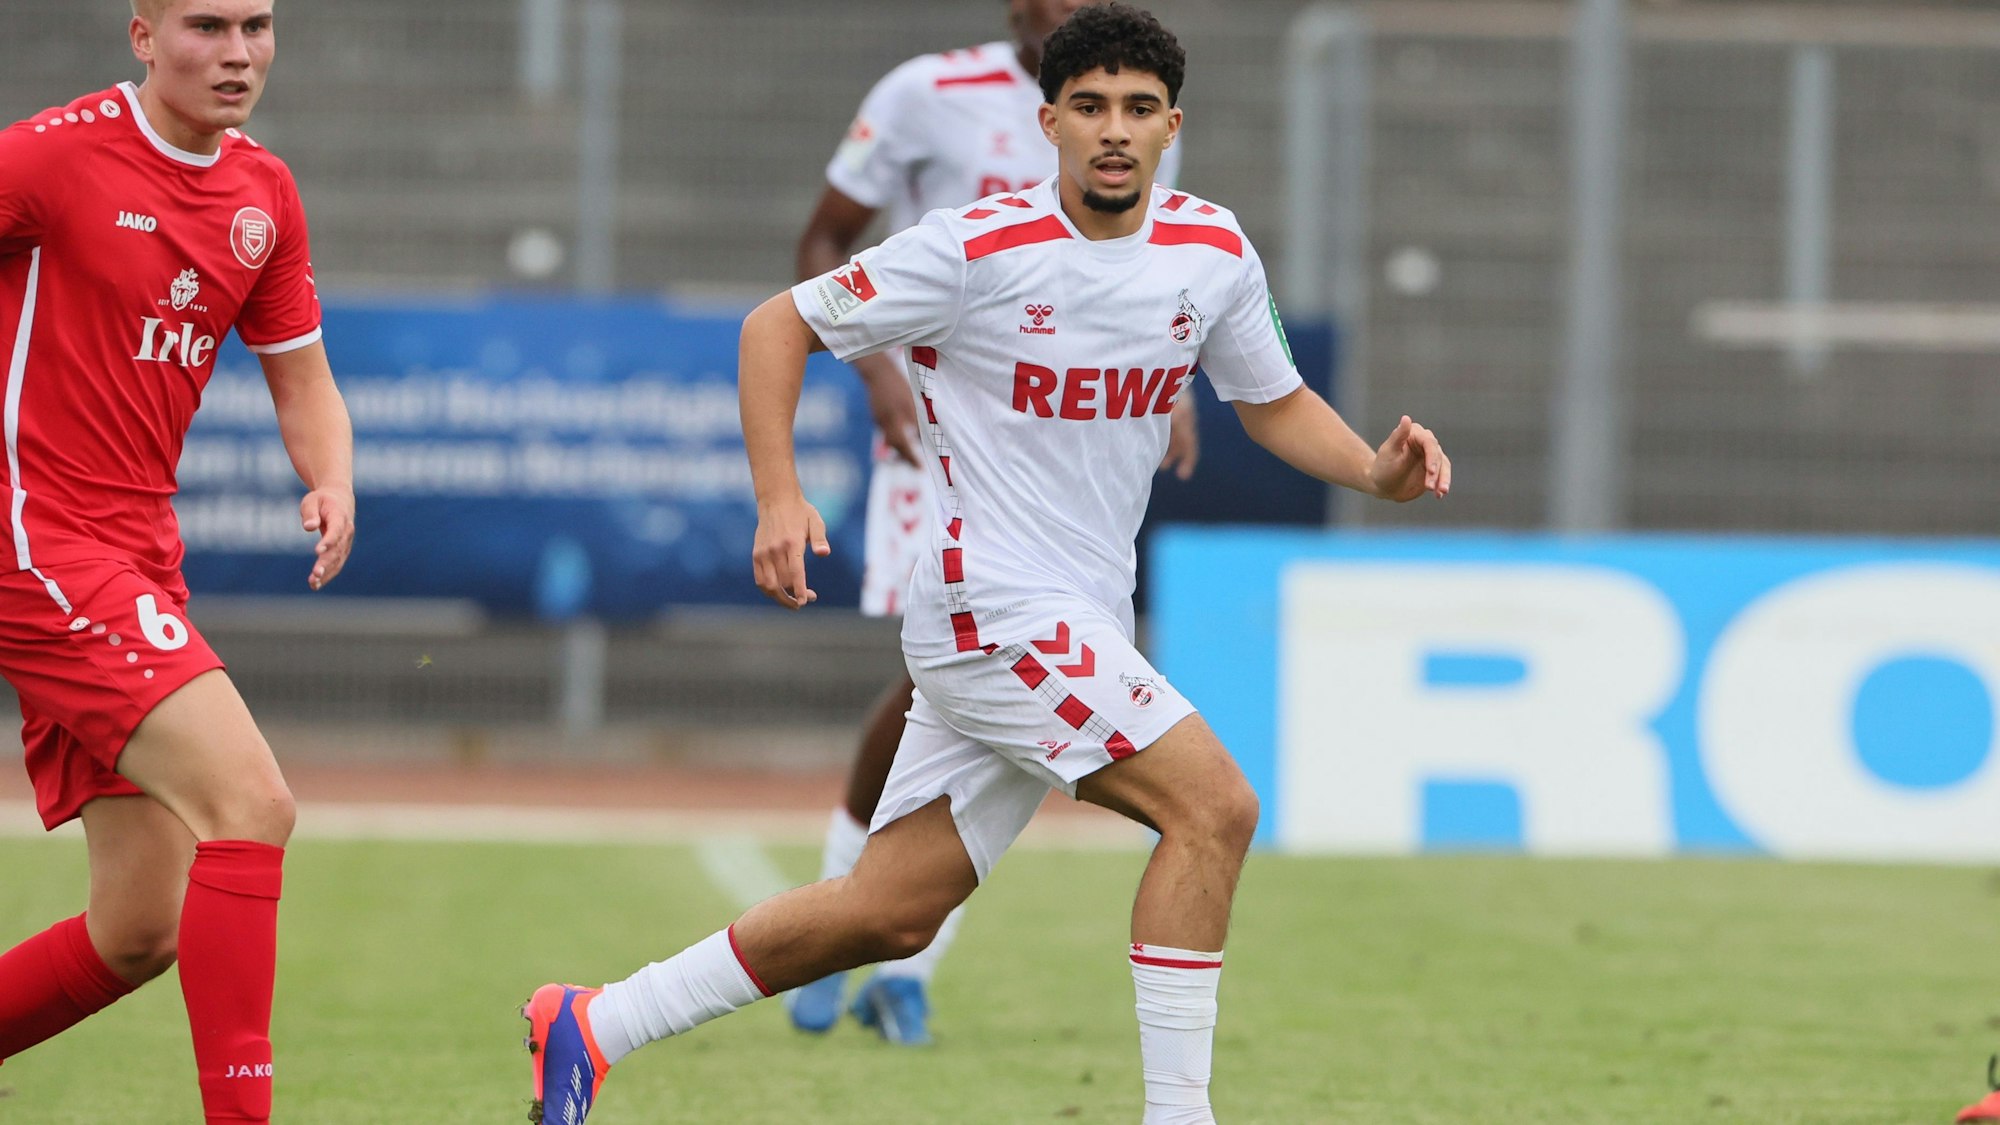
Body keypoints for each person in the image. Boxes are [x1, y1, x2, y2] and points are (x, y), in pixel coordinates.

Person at [524, 6, 1447, 1123]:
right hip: (989, 610)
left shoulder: (1210, 252)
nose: (1115, 131)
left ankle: (594, 1024)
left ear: (1171, 128)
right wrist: (780, 494)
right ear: (1048, 121)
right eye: (1092, 109)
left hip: (1074, 619)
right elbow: (777, 325)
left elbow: (1272, 400)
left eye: (1139, 110)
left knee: (889, 913)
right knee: (1214, 809)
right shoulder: (973, 249)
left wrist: (1373, 472)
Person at [790, 0, 1194, 1045]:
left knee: (977, 678)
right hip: (948, 422)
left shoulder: (1129, 112)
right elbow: (826, 238)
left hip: (1067, 439)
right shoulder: (927, 90)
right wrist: (878, 374)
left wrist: (1174, 385)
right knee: (946, 666)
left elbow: (1147, 272)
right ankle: (851, 902)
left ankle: (896, 947)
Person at [0, 2, 354, 1122]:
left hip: (138, 551)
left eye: (257, 25)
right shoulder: (48, 158)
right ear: (143, 35)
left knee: (137, 929)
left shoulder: (263, 191)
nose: (239, 53)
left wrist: (331, 477)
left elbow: (300, 374)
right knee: (252, 804)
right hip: (34, 535)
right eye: (207, 25)